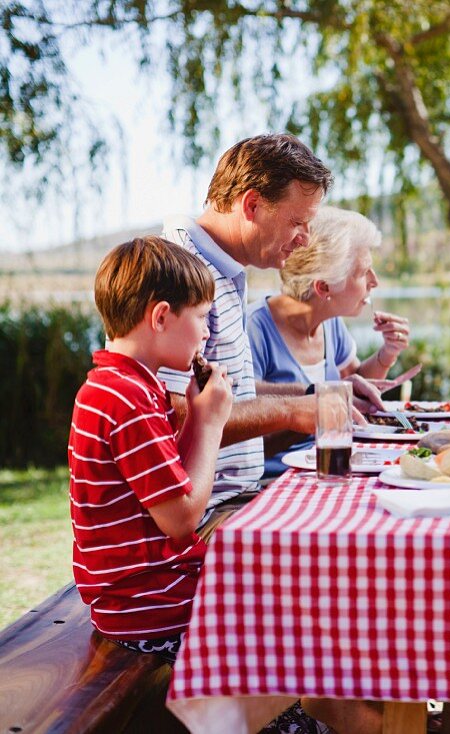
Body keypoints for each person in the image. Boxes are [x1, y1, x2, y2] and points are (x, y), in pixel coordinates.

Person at [159, 134, 385, 507]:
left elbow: (231, 391)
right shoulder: (181, 273)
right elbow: (172, 413)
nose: (305, 240)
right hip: (211, 513)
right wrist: (291, 411)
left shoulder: (222, 271)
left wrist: (323, 393)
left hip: (241, 497)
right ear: (252, 204)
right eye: (298, 222)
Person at [69, 236, 233, 661]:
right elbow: (180, 518)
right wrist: (211, 423)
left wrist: (196, 415)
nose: (207, 331)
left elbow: (165, 486)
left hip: (143, 599)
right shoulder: (127, 398)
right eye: (202, 317)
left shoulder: (118, 385)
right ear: (161, 316)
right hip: (151, 610)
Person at [247, 206, 411, 475]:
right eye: (363, 273)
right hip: (273, 483)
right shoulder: (254, 329)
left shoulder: (330, 322)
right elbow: (241, 434)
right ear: (323, 287)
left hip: (326, 468)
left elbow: (354, 385)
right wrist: (320, 410)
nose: (375, 281)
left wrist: (387, 354)